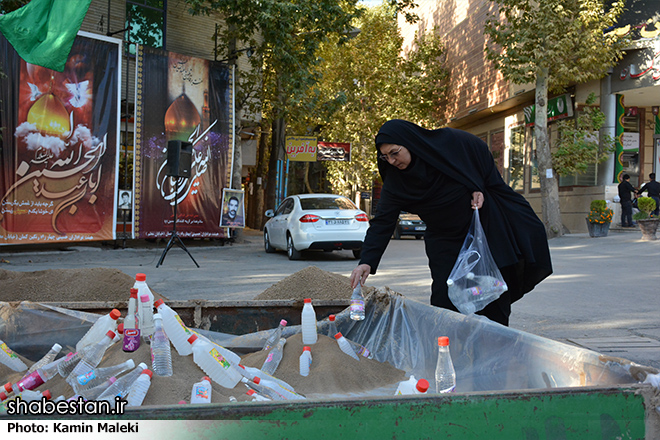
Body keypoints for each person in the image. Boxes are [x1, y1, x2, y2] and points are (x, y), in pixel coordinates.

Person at [349, 119, 553, 326]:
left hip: (483, 232)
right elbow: (383, 221)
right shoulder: (396, 181)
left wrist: (478, 185)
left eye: (395, 153)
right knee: (444, 299)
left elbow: (478, 156)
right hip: (444, 240)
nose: (391, 161)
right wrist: (367, 261)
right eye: (385, 157)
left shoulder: (448, 145)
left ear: (410, 143)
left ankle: (495, 347)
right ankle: (448, 348)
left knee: (492, 295)